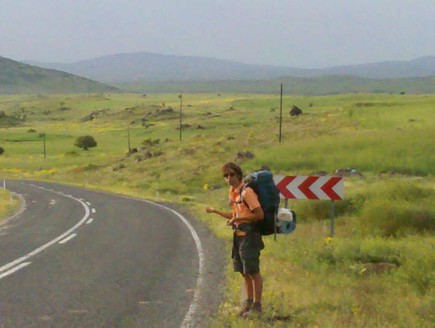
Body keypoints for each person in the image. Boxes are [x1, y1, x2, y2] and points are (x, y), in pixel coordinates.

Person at [206, 162, 265, 318]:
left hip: (249, 236)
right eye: (226, 176)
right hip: (238, 236)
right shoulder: (233, 193)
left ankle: (257, 306)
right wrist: (216, 211)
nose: (229, 178)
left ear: (239, 175)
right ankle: (248, 303)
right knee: (244, 272)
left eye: (232, 174)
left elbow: (259, 215)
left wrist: (239, 218)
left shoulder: (247, 193)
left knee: (253, 271)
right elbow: (234, 216)